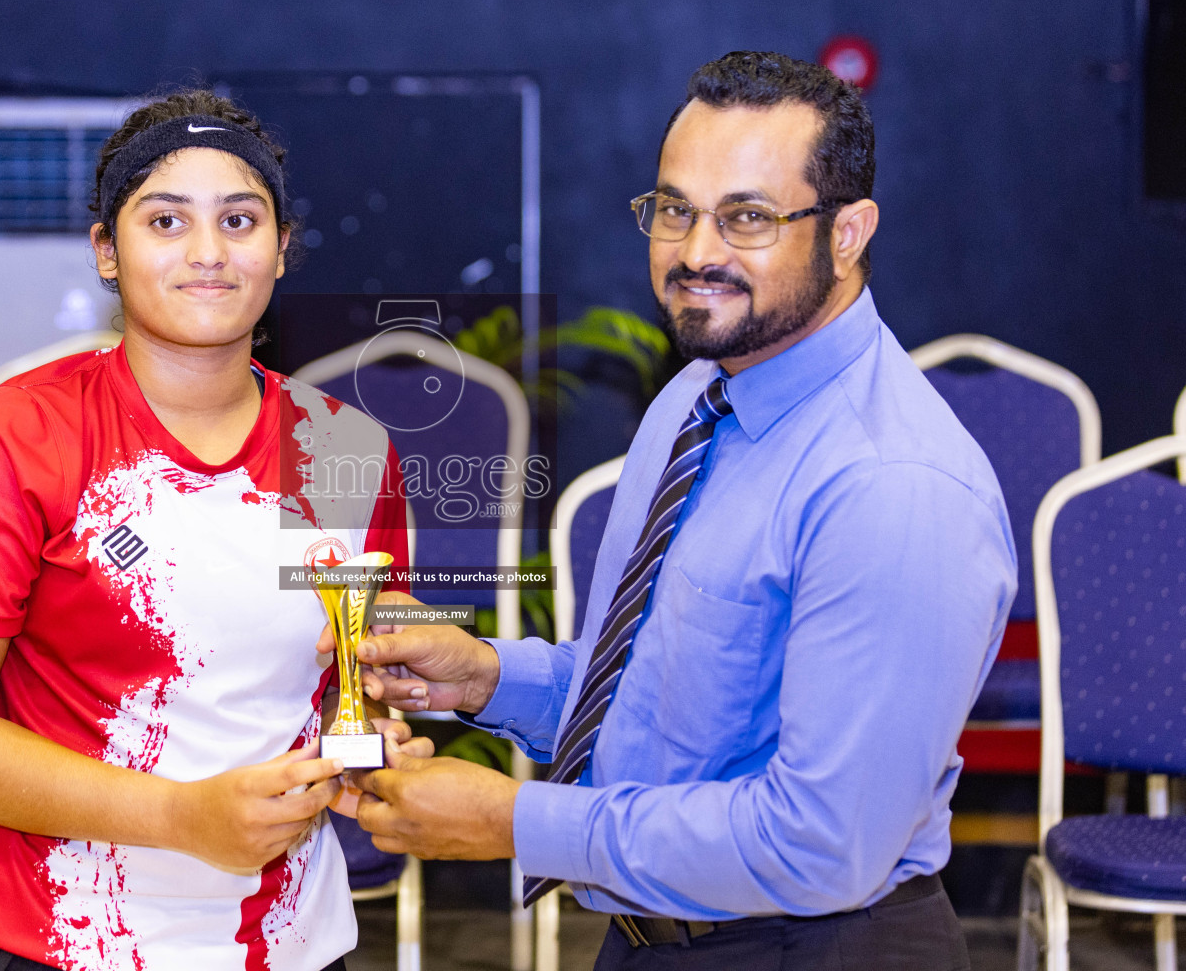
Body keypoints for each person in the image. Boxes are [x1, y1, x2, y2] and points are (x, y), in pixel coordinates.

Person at [343, 52, 1016, 970]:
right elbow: (663, 698)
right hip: (650, 937)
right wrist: (487, 678)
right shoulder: (698, 395)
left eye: (747, 217)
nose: (697, 252)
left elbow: (819, 845)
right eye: (673, 210)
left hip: (816, 947)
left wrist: (514, 820)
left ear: (850, 233)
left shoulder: (893, 483)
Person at [0, 89, 427, 971]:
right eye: (166, 220)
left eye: (241, 221)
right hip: (52, 936)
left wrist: (365, 738)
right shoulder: (11, 440)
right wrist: (178, 817)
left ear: (283, 250)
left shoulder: (348, 451)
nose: (209, 253)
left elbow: (340, 680)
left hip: (286, 939)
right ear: (108, 250)